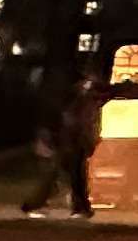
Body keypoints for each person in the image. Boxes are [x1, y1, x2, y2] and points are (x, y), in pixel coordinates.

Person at [27, 70, 103, 216]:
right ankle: (37, 205)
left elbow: (84, 122)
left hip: (73, 142)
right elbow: (75, 121)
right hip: (68, 142)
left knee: (70, 176)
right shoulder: (77, 101)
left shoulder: (82, 101)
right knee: (61, 175)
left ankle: (79, 207)